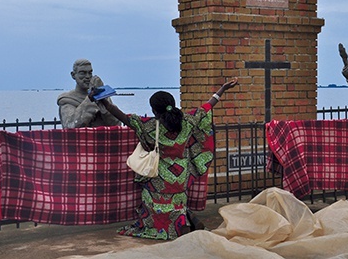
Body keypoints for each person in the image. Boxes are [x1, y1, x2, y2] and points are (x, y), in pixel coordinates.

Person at [93, 77, 239, 240]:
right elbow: (207, 107)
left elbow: (121, 116)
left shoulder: (147, 125)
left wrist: (104, 102)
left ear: (155, 111)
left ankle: (156, 227)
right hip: (181, 176)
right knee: (178, 203)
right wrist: (222, 90)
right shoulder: (188, 121)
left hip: (159, 178)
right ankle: (181, 223)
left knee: (151, 196)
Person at [57, 59, 121, 128]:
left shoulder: (102, 97)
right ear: (73, 75)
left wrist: (102, 98)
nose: (87, 76)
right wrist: (91, 99)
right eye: (82, 73)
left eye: (90, 73)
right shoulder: (67, 100)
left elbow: (116, 124)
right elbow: (71, 125)